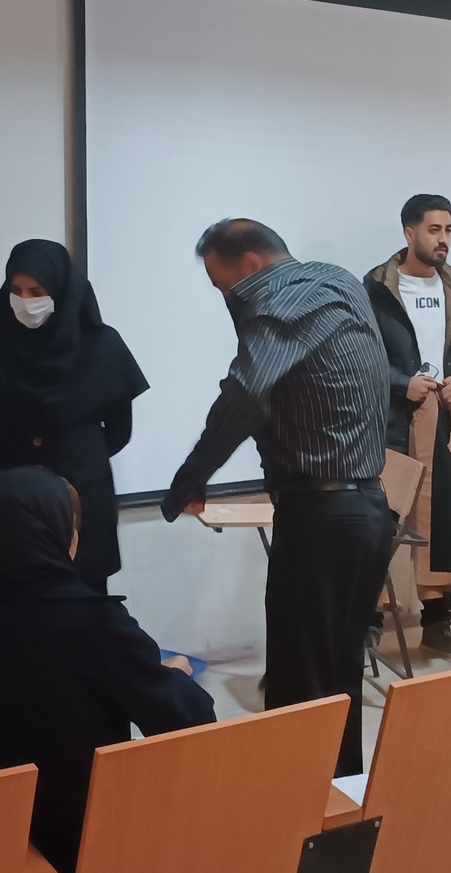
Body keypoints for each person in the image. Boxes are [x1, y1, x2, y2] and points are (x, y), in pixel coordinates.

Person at [161, 219, 393, 777]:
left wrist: (190, 480)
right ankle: (342, 800)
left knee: (300, 681)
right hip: (369, 512)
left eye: (223, 287)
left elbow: (246, 393)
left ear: (250, 265)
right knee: (338, 674)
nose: (227, 300)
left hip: (321, 518)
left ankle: (298, 809)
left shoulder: (280, 303)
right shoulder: (338, 282)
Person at [0, 467, 214, 873]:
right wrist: (175, 675)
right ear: (57, 538)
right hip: (74, 842)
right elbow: (188, 720)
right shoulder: (93, 622)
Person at [0, 239, 149, 595]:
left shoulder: (100, 344)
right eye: (16, 290)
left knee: (84, 601)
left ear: (60, 290)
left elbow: (119, 429)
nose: (25, 301)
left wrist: (73, 455)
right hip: (8, 496)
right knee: (5, 601)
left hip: (83, 497)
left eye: (37, 291)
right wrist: (12, 452)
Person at [365, 194, 451, 661]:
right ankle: (365, 626)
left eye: (449, 229)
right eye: (434, 229)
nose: (444, 239)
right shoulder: (375, 289)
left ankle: (437, 626)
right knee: (377, 527)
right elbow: (361, 357)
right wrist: (403, 383)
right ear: (409, 232)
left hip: (442, 426)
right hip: (388, 427)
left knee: (444, 520)